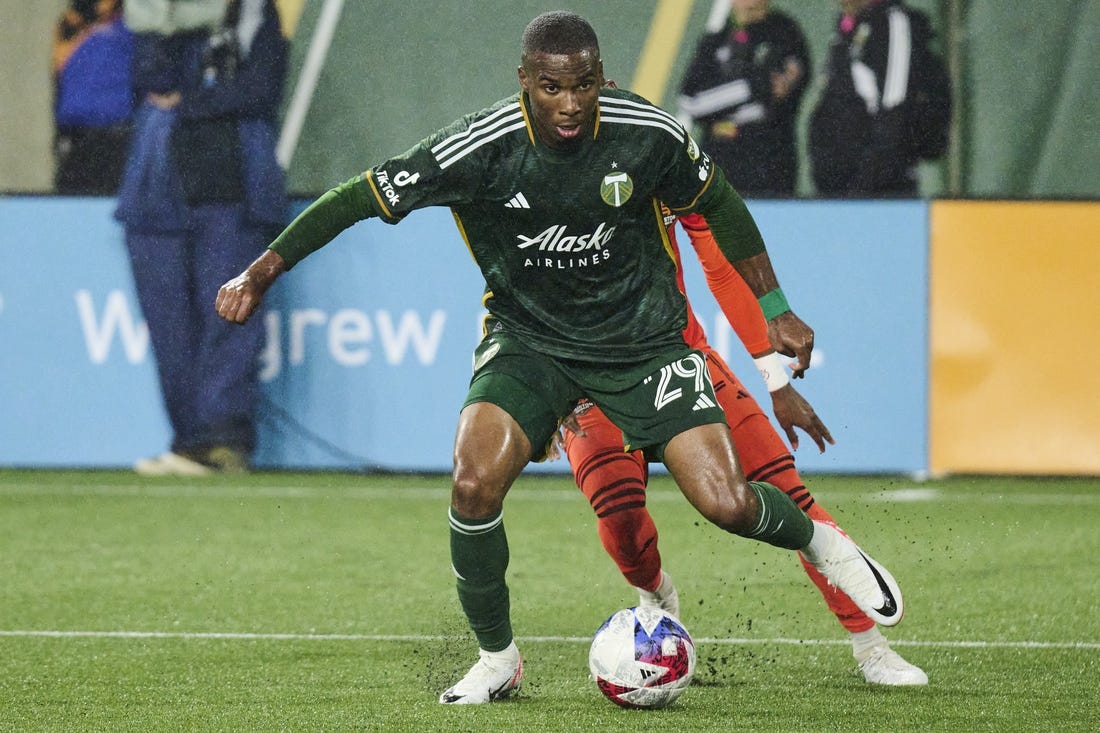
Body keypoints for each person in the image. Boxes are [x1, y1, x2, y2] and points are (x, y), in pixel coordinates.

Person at [215, 11, 907, 704]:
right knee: (473, 482)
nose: (570, 104)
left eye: (583, 86)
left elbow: (720, 206)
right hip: (532, 342)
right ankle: (498, 659)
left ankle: (826, 548)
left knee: (726, 501)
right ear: (524, 82)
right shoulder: (479, 146)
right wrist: (262, 270)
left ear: (602, 79)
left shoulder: (649, 134)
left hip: (645, 345)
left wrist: (777, 311)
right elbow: (357, 197)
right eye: (551, 87)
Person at [558, 208, 927, 685]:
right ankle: (655, 594)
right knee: (620, 516)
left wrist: (776, 381)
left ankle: (871, 646)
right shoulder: (529, 170)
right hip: (590, 382)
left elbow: (720, 266)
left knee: (789, 496)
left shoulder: (654, 148)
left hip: (680, 361)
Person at [115, 0, 288, 474]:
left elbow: (260, 90)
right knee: (168, 322)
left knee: (229, 316)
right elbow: (148, 80)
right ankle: (188, 441)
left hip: (234, 187)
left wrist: (193, 102)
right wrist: (172, 32)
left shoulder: (255, 14)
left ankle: (223, 441)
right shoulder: (157, 16)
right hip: (158, 188)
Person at [677, 0, 810, 197]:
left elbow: (775, 96)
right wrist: (751, 86)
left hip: (768, 168)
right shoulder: (718, 37)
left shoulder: (785, 34)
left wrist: (718, 103)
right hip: (717, 168)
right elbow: (690, 101)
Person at [809, 0, 936, 196]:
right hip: (835, 191)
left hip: (877, 195)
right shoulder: (848, 25)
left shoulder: (893, 22)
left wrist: (861, 188)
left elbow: (895, 111)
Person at [52, 0, 135, 195]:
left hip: (120, 135)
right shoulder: (71, 25)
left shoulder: (134, 24)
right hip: (77, 137)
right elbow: (59, 79)